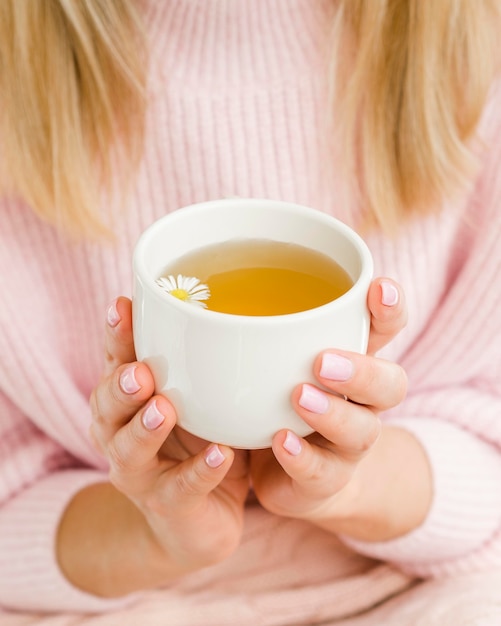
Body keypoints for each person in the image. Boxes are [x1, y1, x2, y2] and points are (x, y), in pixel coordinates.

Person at [1, 1, 501, 623]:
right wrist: (157, 531)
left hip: (418, 581)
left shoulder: (469, 44)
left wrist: (346, 482)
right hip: (112, 595)